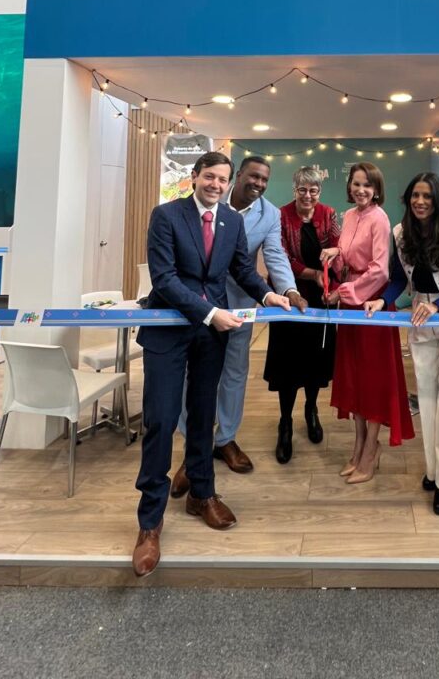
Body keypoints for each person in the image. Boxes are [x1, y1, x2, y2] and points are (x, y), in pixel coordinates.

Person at [132, 151, 291, 578]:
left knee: (203, 417)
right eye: (209, 177)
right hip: (169, 331)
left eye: (222, 179)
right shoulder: (166, 216)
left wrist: (268, 295)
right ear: (194, 176)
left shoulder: (232, 222)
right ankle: (150, 522)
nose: (216, 185)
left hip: (209, 337)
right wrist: (209, 312)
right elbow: (164, 279)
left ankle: (202, 494)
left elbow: (241, 269)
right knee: (162, 420)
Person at [176, 155, 305, 479]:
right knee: (192, 373)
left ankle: (225, 439)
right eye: (253, 176)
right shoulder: (208, 199)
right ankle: (193, 446)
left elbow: (274, 254)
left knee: (234, 372)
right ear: (239, 175)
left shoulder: (269, 214)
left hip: (239, 302)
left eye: (264, 179)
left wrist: (288, 289)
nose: (258, 183)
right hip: (197, 302)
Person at [365, 172, 439, 515]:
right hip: (420, 317)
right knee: (428, 397)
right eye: (415, 195)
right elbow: (399, 279)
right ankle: (434, 470)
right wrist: (382, 300)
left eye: (427, 196)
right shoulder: (401, 233)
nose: (420, 201)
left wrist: (437, 306)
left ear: (437, 200)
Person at [321, 162, 414, 483]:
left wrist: (344, 292)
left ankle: (371, 449)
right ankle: (358, 443)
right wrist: (336, 252)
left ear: (376, 190)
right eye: (356, 183)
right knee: (353, 376)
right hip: (350, 305)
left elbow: (380, 270)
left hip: (371, 305)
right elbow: (350, 255)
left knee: (373, 379)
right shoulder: (349, 216)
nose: (361, 190)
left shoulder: (380, 218)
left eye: (367, 185)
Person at [263, 166, 341, 464]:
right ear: (294, 189)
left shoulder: (329, 214)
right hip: (289, 297)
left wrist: (330, 275)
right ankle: (285, 421)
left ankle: (311, 409)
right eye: (302, 190)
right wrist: (312, 274)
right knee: (288, 364)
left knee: (316, 360)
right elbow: (280, 256)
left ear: (320, 191)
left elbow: (338, 248)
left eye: (313, 190)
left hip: (322, 298)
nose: (308, 195)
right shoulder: (280, 216)